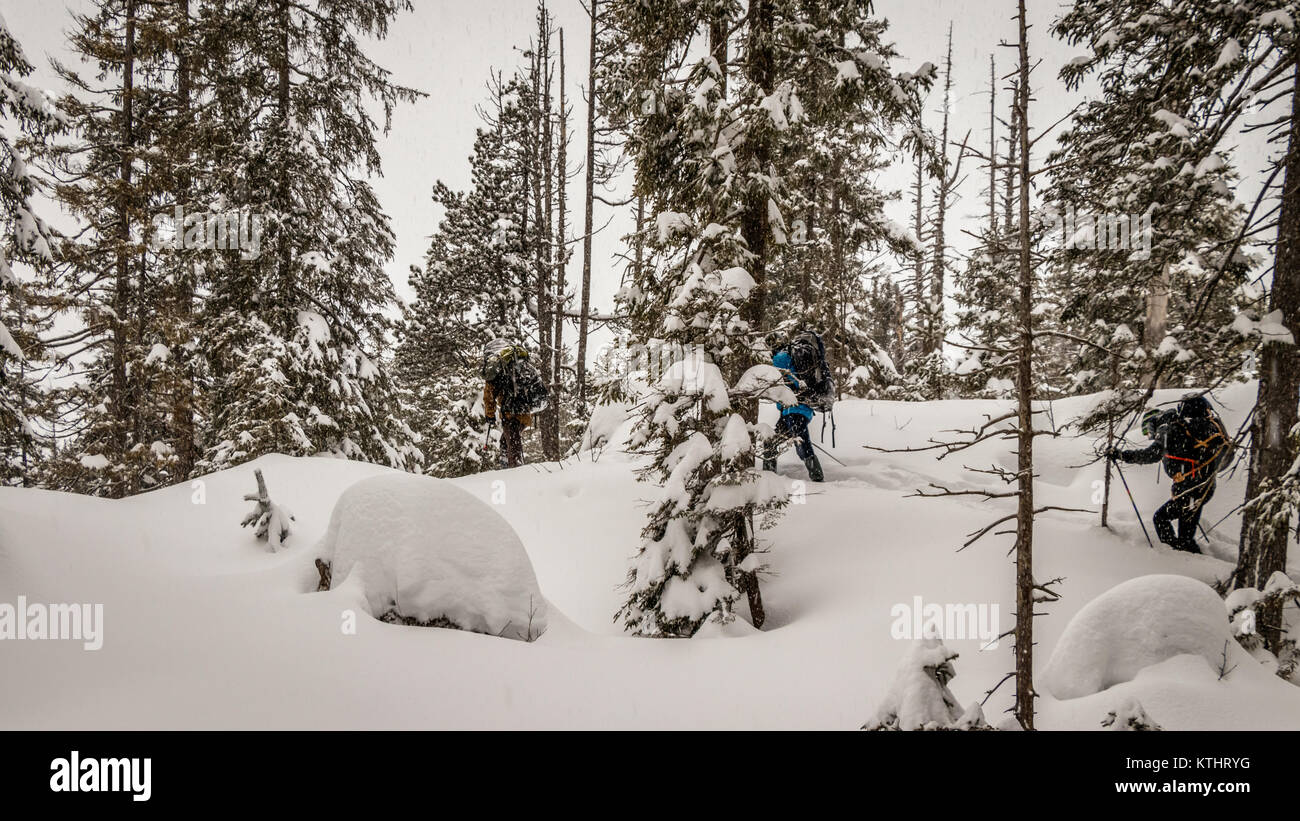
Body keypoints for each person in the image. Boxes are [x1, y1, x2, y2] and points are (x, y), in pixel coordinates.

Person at [1106, 394, 1229, 554]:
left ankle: (1174, 557)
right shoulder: (1187, 426)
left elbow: (1152, 454)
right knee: (1186, 534)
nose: (1151, 437)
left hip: (1189, 489)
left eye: (1149, 434)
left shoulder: (1168, 429)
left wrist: (1122, 455)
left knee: (1161, 519)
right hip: (1204, 485)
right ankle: (1186, 556)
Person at [762, 331, 826, 482]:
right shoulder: (790, 354)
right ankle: (767, 476)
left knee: (801, 441)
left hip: (795, 407)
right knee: (771, 440)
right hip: (797, 408)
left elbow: (780, 381)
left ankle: (817, 478)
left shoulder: (780, 357)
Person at [481, 339, 546, 469]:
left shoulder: (497, 368)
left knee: (512, 444)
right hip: (525, 411)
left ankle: (515, 471)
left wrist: (490, 415)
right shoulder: (520, 364)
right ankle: (508, 467)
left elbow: (489, 396)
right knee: (507, 441)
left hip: (510, 411)